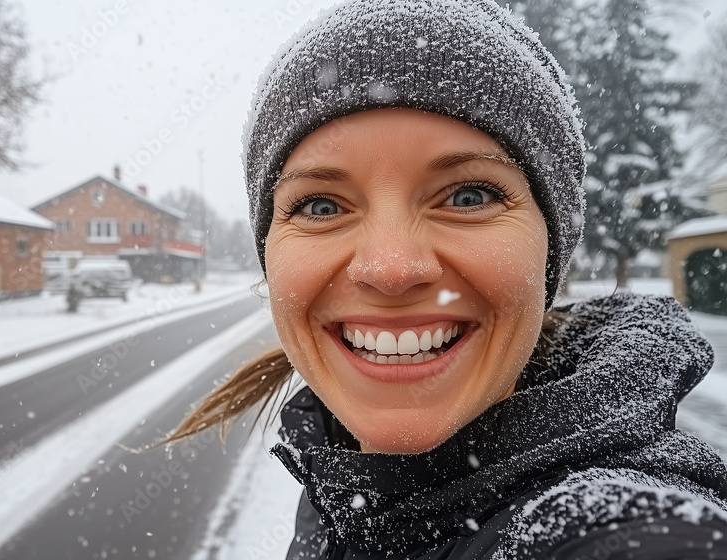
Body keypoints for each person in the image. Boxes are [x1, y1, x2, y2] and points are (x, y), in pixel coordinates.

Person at [165, 0, 727, 558]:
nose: (390, 269)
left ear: (550, 250)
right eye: (318, 206)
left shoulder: (623, 528)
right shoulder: (339, 481)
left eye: (468, 196)